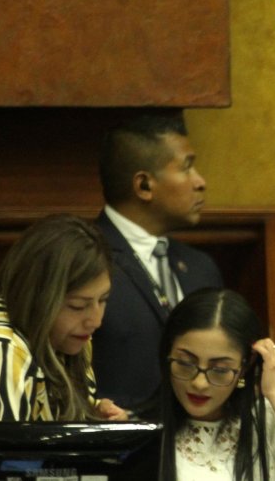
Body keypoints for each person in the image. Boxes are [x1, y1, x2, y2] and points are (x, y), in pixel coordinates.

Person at [0, 214, 125, 421]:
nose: (95, 321)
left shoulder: (68, 339)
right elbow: (3, 452)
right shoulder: (0, 351)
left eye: (103, 300)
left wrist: (96, 420)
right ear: (37, 296)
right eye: (77, 306)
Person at [92, 113, 223, 409]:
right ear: (144, 186)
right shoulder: (85, 259)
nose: (200, 182)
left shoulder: (201, 268)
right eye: (187, 167)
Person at [157, 288, 275, 481]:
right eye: (185, 363)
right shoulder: (147, 432)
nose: (199, 383)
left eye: (220, 370)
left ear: (245, 365)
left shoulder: (264, 423)